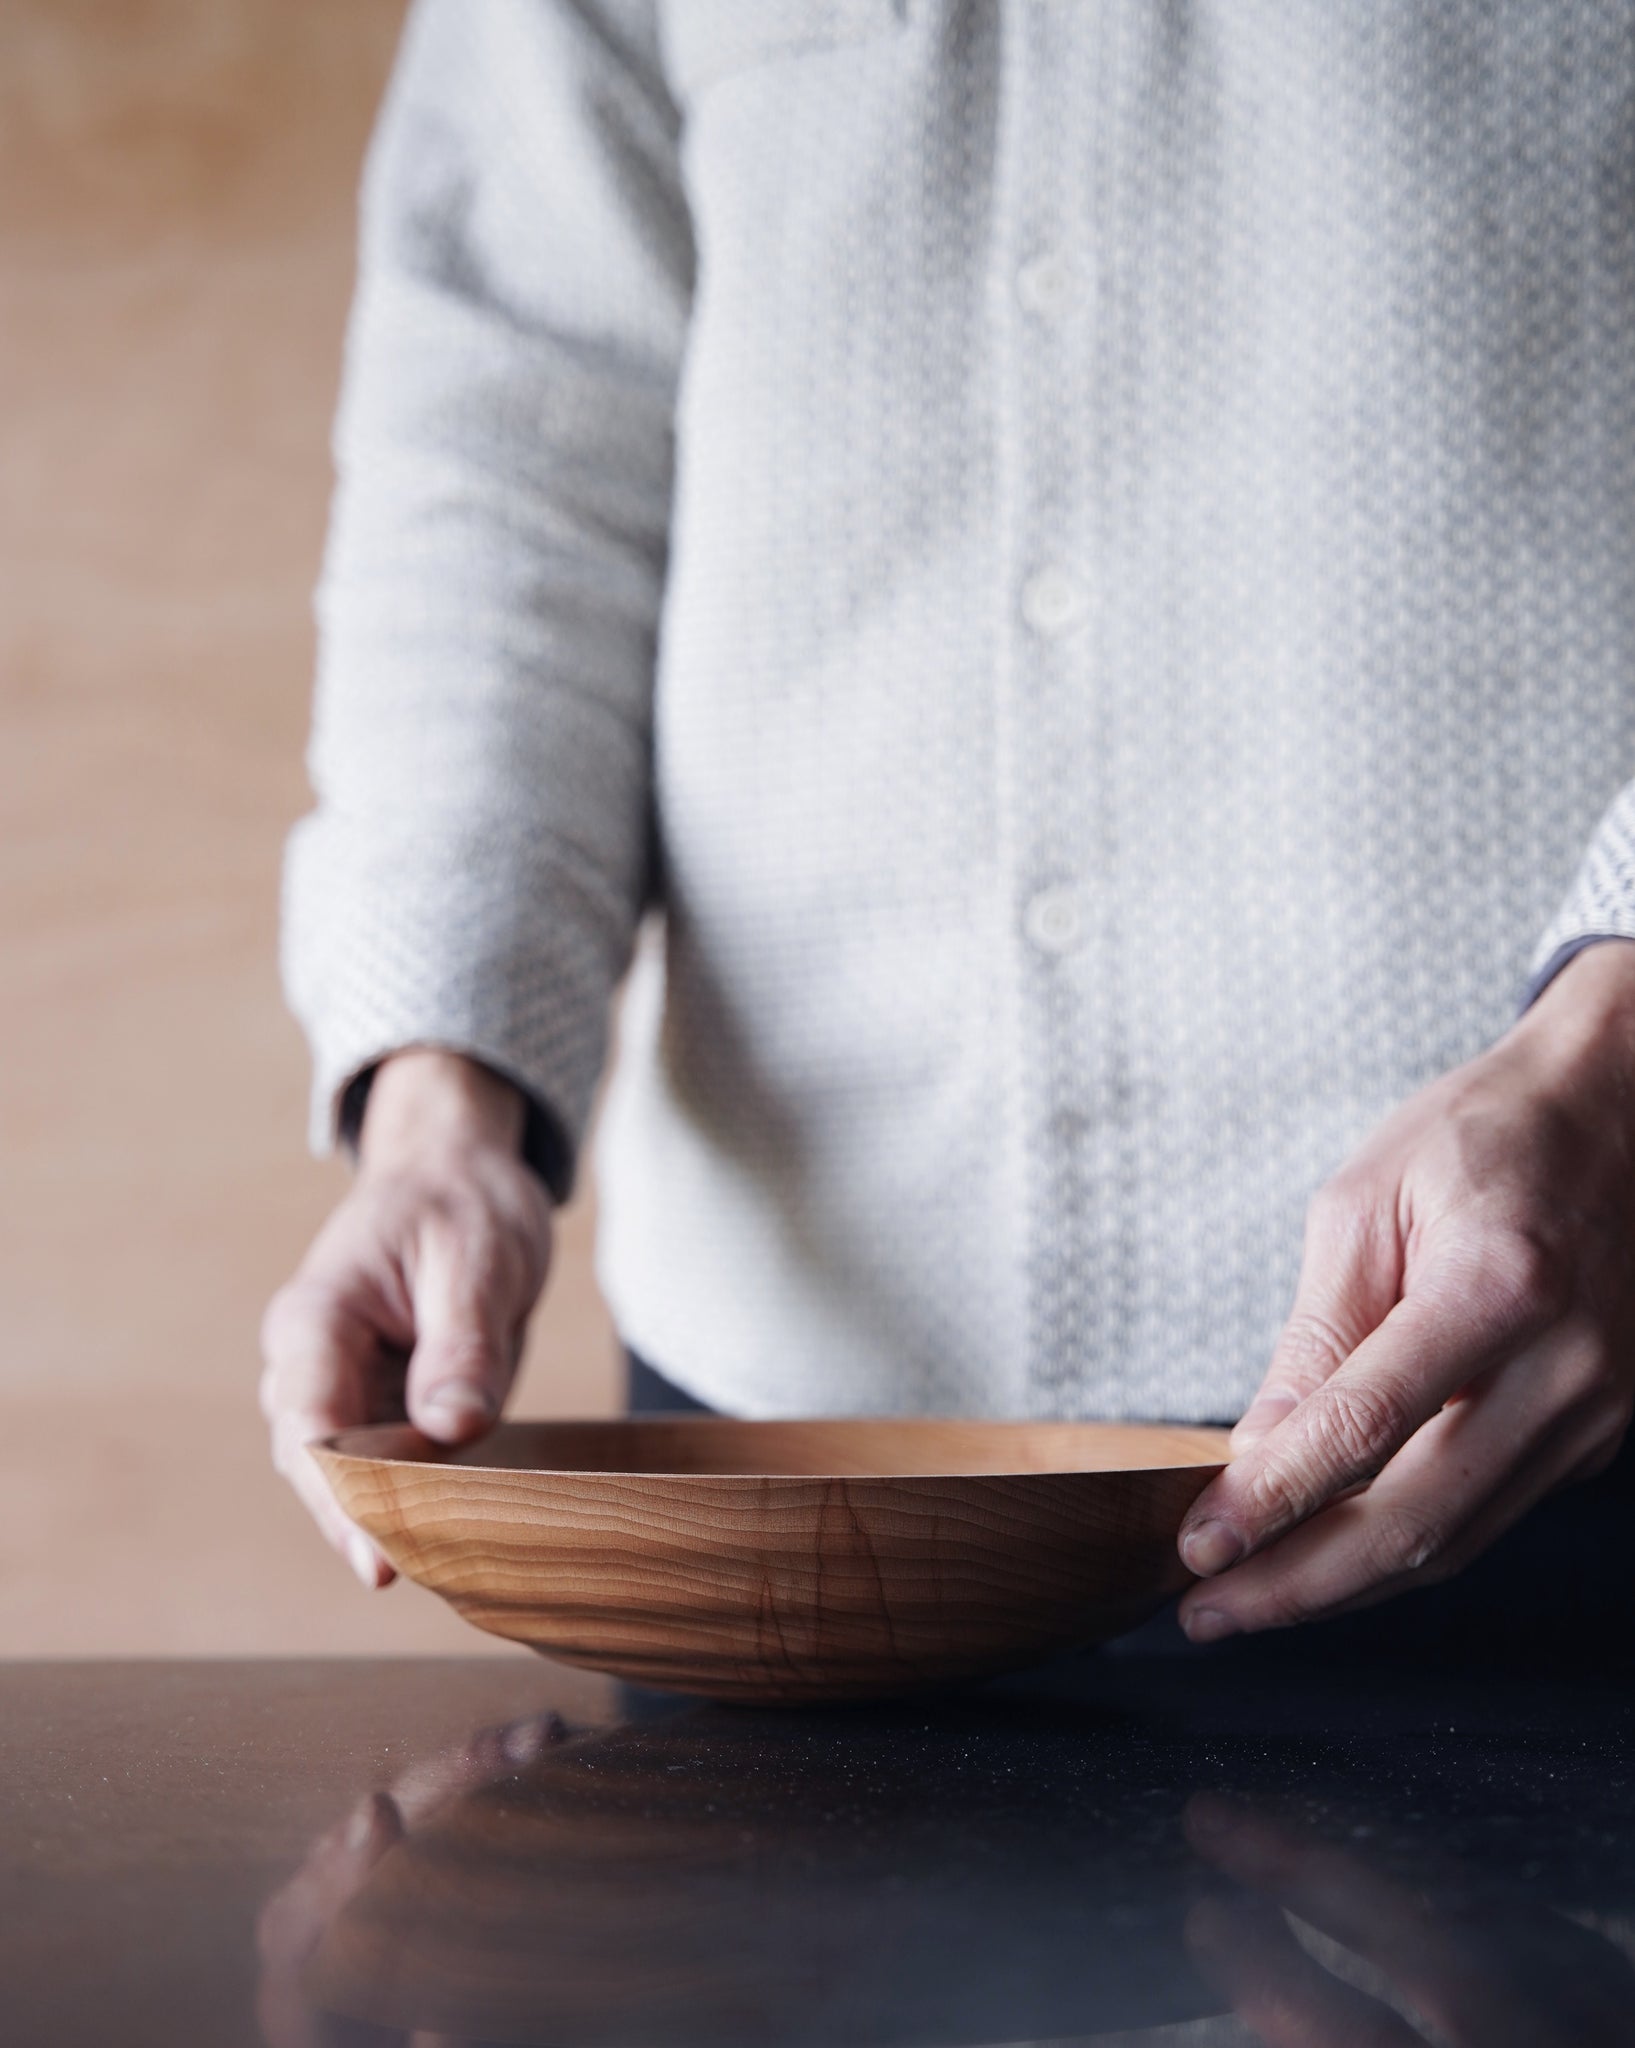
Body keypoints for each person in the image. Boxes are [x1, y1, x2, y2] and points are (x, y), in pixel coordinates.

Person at [261, 1, 1635, 1647]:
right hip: (763, 1459)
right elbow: (511, 458)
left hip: (1539, 1377)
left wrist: (1616, 1042)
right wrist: (441, 1119)